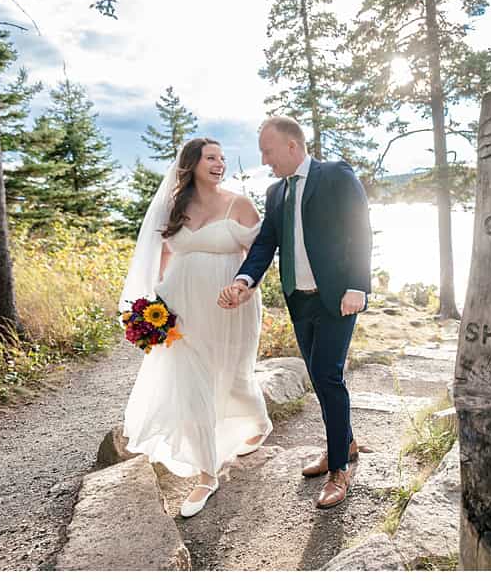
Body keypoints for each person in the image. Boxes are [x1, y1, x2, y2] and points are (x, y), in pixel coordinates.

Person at [218, 115, 371, 509]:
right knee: (320, 379)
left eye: (268, 152)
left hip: (337, 296)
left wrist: (358, 286)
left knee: (327, 375)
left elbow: (360, 228)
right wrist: (244, 280)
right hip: (299, 300)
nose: (265, 160)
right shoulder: (276, 193)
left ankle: (339, 468)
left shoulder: (335, 174)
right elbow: (266, 244)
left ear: (291, 145)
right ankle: (345, 442)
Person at [119, 137, 271, 518]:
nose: (219, 163)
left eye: (222, 157)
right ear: (192, 163)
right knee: (192, 385)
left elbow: (260, 252)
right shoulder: (175, 206)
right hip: (180, 305)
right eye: (211, 157)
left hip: (230, 304)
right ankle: (207, 473)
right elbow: (166, 254)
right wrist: (154, 306)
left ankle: (259, 420)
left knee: (234, 376)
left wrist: (244, 288)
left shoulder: (240, 203)